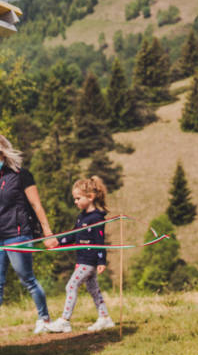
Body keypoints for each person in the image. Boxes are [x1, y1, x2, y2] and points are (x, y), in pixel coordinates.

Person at [0, 134, 58, 332]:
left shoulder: (19, 174)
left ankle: (44, 319)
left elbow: (36, 204)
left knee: (27, 279)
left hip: (18, 234)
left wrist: (47, 232)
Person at [46, 176, 115, 333]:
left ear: (90, 197)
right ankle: (105, 318)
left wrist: (101, 261)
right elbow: (73, 236)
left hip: (89, 261)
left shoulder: (97, 218)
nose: (75, 202)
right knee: (93, 289)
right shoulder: (82, 216)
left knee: (71, 285)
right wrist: (57, 241)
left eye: (78, 198)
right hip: (82, 259)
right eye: (74, 199)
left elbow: (99, 241)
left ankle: (64, 320)